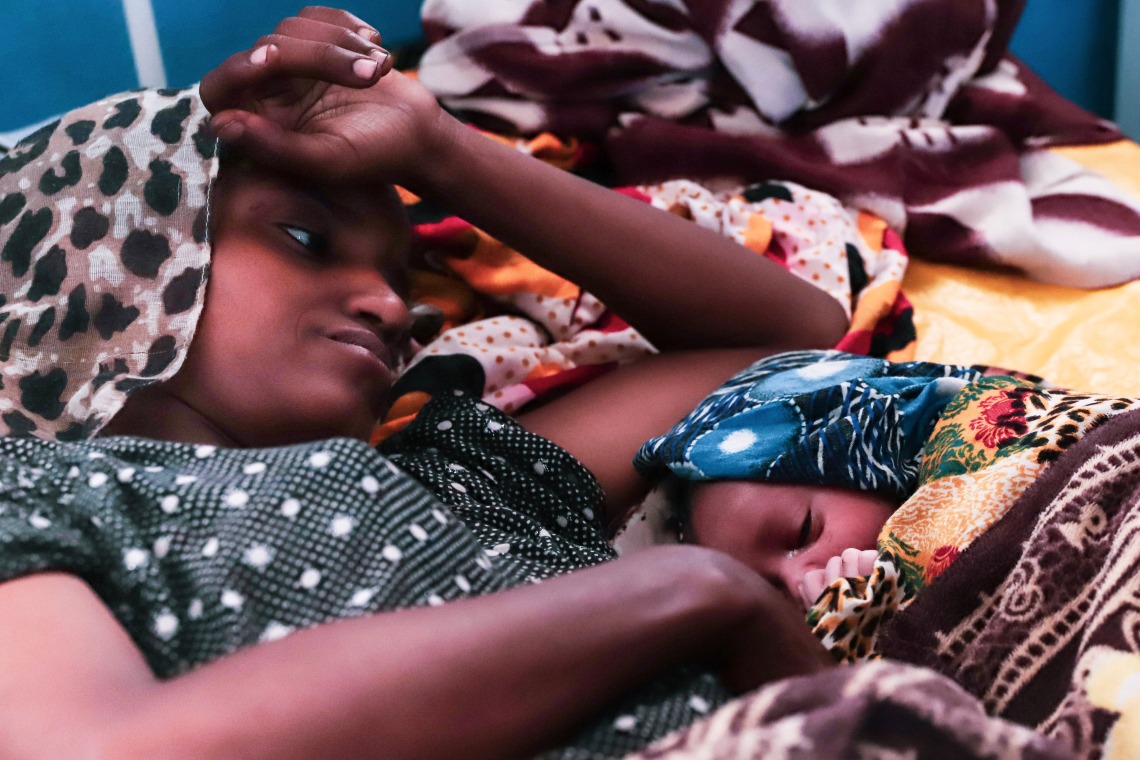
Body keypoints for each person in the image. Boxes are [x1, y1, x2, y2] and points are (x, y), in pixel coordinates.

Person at [0, 8, 850, 760]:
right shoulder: (32, 491)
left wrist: (441, 151)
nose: (390, 307)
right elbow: (89, 744)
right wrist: (689, 597)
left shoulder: (453, 481)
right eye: (306, 238)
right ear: (107, 258)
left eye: (404, 286)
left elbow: (780, 343)